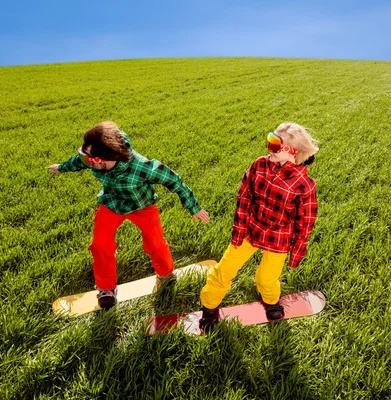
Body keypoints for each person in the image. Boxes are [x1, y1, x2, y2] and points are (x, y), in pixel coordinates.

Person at [48, 121, 209, 310]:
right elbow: (77, 162)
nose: (85, 162)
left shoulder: (143, 168)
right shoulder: (95, 160)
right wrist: (62, 167)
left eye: (88, 160)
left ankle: (166, 274)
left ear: (103, 160)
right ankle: (106, 289)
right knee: (100, 244)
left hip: (142, 206)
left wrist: (194, 207)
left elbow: (174, 180)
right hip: (111, 203)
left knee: (155, 243)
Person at [199, 122, 318, 330]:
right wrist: (239, 231)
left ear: (293, 152)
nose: (268, 148)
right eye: (269, 140)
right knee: (223, 270)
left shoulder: (305, 185)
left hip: (278, 238)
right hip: (251, 230)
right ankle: (209, 309)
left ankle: (271, 300)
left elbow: (305, 222)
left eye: (275, 145)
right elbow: (244, 196)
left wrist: (297, 252)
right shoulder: (259, 165)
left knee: (266, 279)